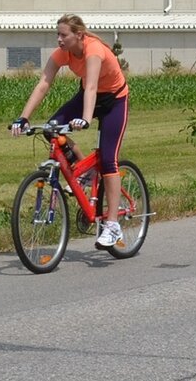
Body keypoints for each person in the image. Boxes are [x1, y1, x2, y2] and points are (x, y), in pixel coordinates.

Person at [9, 13, 131, 249]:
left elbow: (93, 86)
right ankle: (85, 172)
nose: (59, 39)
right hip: (88, 95)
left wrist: (85, 119)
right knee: (51, 129)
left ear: (79, 35)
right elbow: (44, 84)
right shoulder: (62, 53)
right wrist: (24, 117)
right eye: (57, 34)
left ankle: (113, 224)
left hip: (114, 101)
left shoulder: (94, 50)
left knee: (108, 160)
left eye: (63, 35)